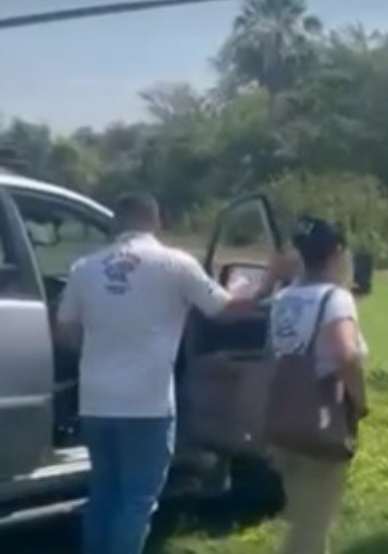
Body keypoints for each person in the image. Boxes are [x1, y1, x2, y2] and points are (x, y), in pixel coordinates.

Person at [55, 192, 288, 554]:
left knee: (103, 491)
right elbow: (227, 309)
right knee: (137, 499)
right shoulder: (175, 265)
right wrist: (269, 281)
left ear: (117, 223)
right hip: (146, 405)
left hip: (95, 401)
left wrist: (96, 349)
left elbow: (65, 330)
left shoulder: (84, 268)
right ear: (157, 221)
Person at [267, 216, 368, 554]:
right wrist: (360, 401)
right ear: (337, 253)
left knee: (304, 516)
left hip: (284, 418)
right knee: (312, 525)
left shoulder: (284, 298)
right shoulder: (335, 299)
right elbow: (346, 355)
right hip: (322, 420)